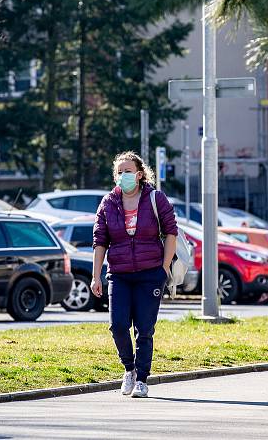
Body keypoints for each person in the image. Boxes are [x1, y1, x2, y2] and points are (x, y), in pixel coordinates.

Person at [91, 151, 177, 397]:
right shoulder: (108, 202)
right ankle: (128, 369)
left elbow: (171, 232)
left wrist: (164, 267)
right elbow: (99, 241)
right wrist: (96, 275)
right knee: (117, 325)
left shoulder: (155, 198)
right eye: (119, 172)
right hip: (119, 274)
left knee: (145, 328)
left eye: (127, 171)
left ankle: (142, 379)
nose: (123, 176)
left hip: (150, 273)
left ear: (139, 174)